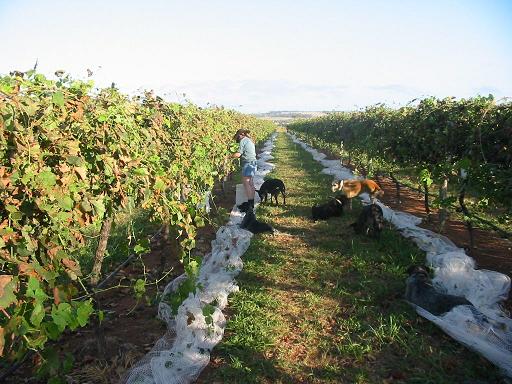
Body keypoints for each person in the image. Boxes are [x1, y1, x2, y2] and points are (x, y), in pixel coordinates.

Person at [232, 129, 257, 212]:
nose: (237, 138)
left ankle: (250, 205)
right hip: (253, 163)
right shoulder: (249, 140)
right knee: (250, 183)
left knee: (246, 183)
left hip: (248, 163)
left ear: (241, 135)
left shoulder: (243, 141)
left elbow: (238, 154)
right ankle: (251, 204)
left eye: (238, 136)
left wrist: (229, 156)